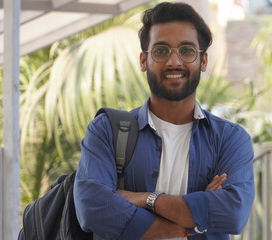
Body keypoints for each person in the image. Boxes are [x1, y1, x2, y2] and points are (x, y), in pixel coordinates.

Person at [73, 2, 255, 239]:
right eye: (161, 51)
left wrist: (145, 199)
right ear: (143, 61)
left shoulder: (229, 139)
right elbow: (93, 208)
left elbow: (233, 213)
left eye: (187, 50)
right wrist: (188, 223)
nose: (174, 62)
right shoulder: (107, 131)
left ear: (203, 61)